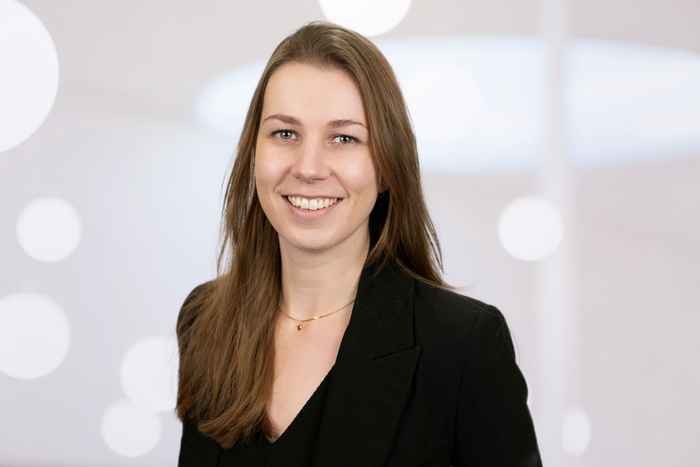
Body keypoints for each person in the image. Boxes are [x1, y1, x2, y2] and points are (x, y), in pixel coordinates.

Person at [175, 20, 542, 467]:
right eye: (285, 133)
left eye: (344, 138)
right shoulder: (206, 321)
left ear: (387, 166)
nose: (309, 167)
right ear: (254, 152)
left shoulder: (463, 346)